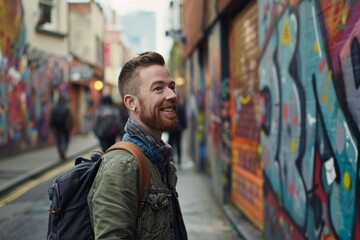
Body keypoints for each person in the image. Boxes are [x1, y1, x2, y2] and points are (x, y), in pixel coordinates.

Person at [88, 51, 188, 239]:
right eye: (158, 88)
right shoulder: (121, 167)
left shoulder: (159, 157)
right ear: (131, 102)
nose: (172, 95)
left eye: (172, 87)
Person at [50, 95, 73, 161]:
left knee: (59, 140)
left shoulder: (55, 107)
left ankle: (60, 151)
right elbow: (70, 118)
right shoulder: (67, 107)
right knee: (66, 139)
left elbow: (52, 118)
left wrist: (52, 126)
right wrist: (70, 126)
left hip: (57, 127)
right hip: (65, 127)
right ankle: (64, 150)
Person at [168, 95, 187, 168]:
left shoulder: (171, 108)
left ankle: (172, 160)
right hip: (178, 129)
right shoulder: (180, 107)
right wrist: (184, 126)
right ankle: (179, 160)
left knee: (171, 145)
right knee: (178, 144)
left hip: (172, 129)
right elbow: (183, 118)